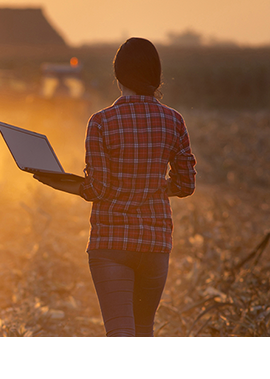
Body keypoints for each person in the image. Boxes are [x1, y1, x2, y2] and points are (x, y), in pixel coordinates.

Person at [34, 38, 196, 337]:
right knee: (144, 329)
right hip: (155, 241)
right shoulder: (174, 121)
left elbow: (98, 189)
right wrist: (155, 188)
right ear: (156, 75)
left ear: (118, 75)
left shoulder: (101, 122)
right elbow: (186, 184)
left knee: (120, 332)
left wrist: (58, 182)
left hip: (111, 242)